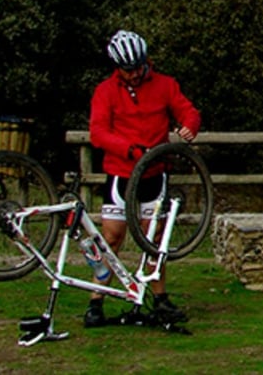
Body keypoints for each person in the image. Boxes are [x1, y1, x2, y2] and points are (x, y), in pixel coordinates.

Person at [84, 29, 201, 328]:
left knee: (155, 238)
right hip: (121, 173)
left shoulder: (164, 85)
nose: (135, 74)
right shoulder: (105, 91)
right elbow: (98, 132)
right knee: (111, 236)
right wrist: (129, 149)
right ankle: (96, 300)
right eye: (128, 70)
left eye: (138, 67)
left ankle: (159, 297)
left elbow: (187, 111)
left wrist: (189, 127)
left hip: (154, 172)